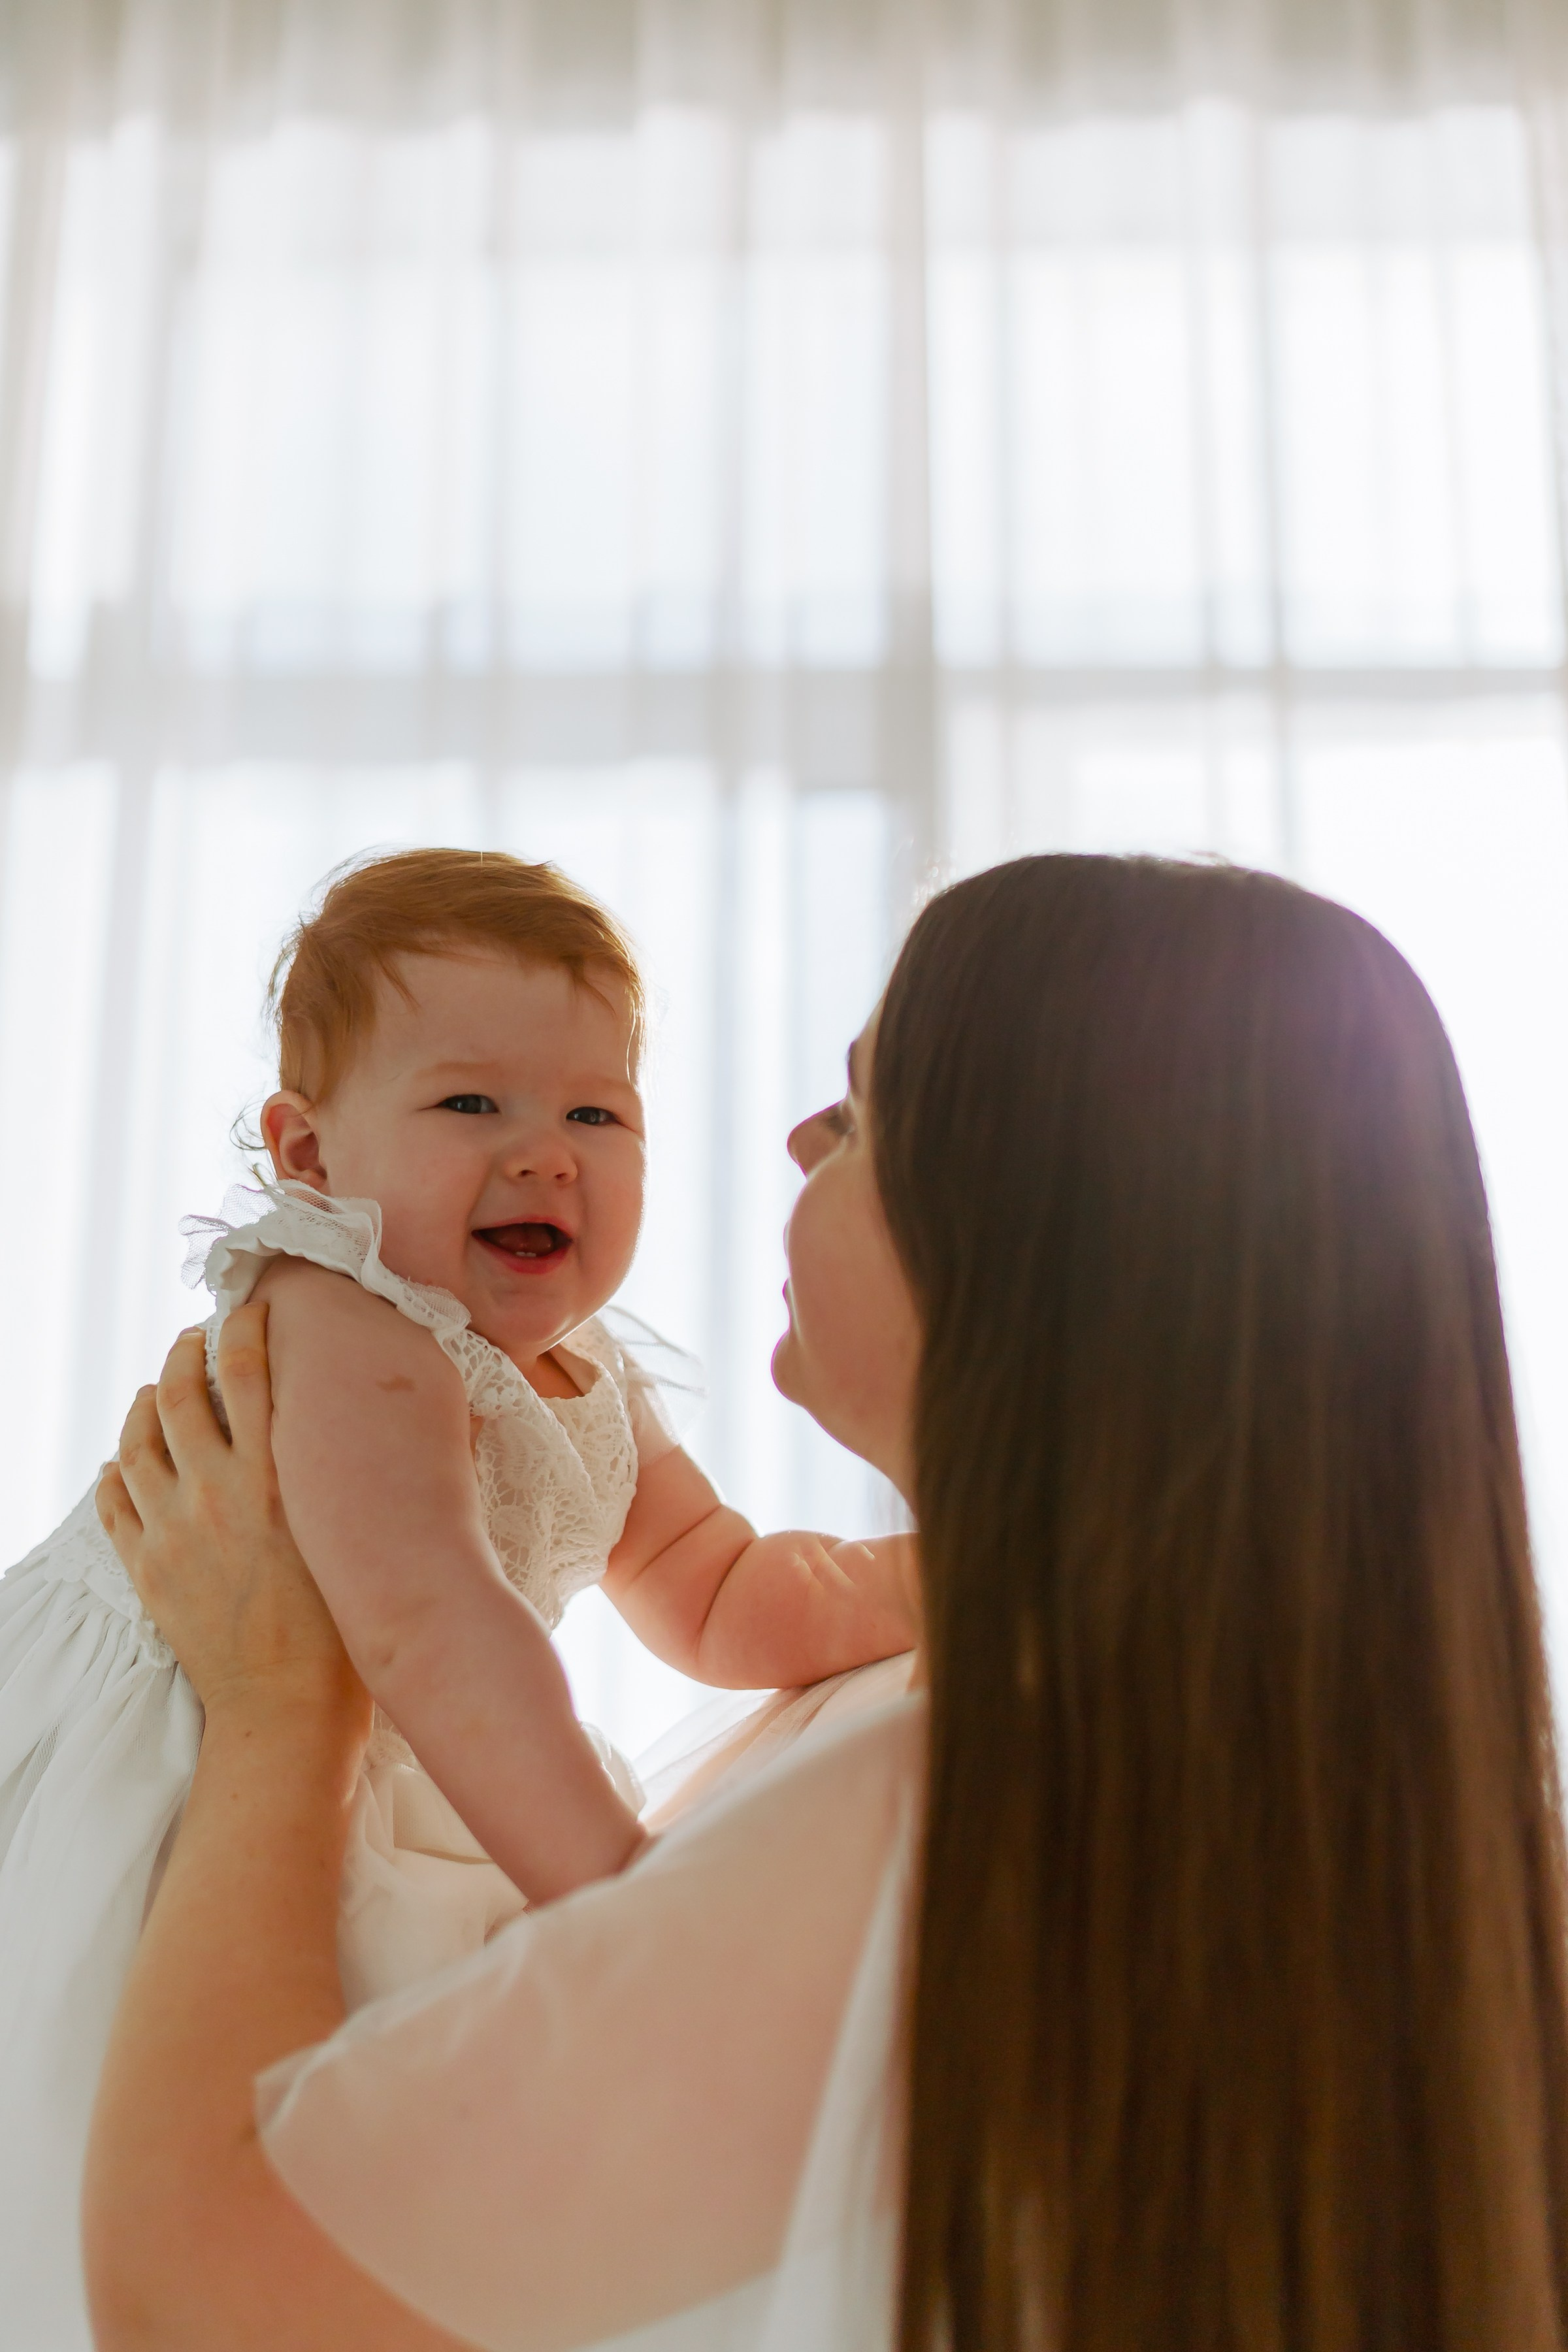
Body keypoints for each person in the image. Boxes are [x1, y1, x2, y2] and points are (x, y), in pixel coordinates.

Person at [85, 854, 1568, 2351]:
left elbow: (190, 2298)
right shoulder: (1334, 1809)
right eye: (473, 1103)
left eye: (859, 1115)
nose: (797, 1137)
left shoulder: (956, 1809)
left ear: (1036, 1231)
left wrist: (281, 1712)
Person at [0, 845, 916, 2349]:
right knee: (109, 2098)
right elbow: (427, 1626)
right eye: (470, 1105)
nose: (545, 1157)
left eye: (595, 1114)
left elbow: (721, 1588)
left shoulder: (585, 1369)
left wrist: (943, 1581)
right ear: (308, 1154)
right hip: (165, 1758)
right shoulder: (346, 1319)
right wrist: (621, 1901)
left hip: (357, 1732)